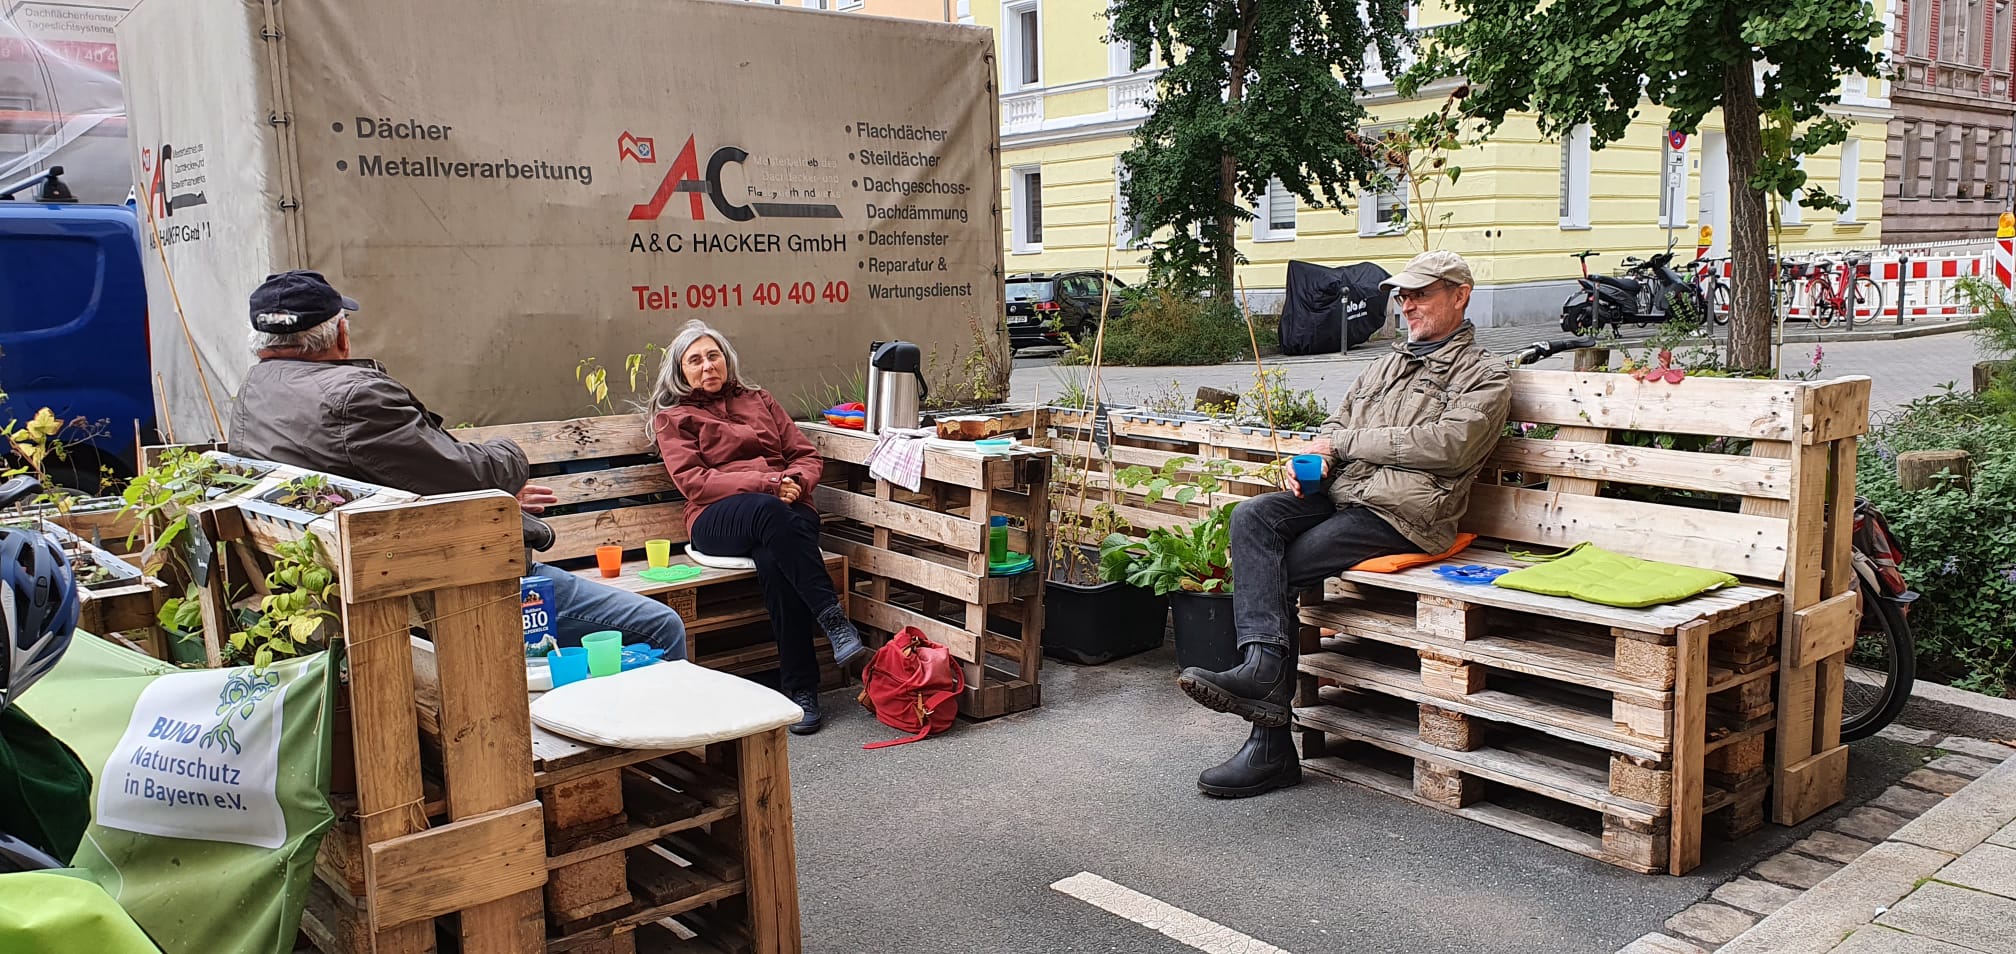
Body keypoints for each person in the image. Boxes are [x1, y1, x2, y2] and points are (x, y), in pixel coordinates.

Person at [1179, 250, 1513, 798]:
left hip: (1403, 513)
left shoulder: (1486, 373)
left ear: (1460, 295)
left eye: (1420, 293)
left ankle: (1269, 739)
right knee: (1253, 516)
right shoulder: (1385, 365)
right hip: (1343, 494)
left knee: (1276, 568)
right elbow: (1339, 421)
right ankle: (1263, 674)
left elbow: (1450, 446)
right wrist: (1317, 454)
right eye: (1402, 295)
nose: (1406, 305)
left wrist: (1346, 444)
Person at [227, 270, 688, 660]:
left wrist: (485, 499)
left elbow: (380, 476)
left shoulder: (254, 392)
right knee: (661, 627)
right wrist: (511, 459)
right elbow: (465, 473)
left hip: (357, 581)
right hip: (446, 586)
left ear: (262, 341)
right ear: (340, 333)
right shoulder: (356, 397)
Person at [647, 319, 867, 735]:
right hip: (718, 517)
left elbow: (804, 454)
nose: (707, 365)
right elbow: (695, 482)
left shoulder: (760, 400)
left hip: (784, 508)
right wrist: (768, 483)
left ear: (727, 360)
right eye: (695, 360)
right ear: (681, 371)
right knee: (772, 516)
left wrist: (796, 482)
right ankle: (832, 618)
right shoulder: (674, 418)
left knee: (774, 557)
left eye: (713, 356)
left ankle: (800, 693)